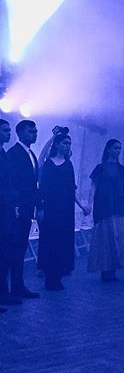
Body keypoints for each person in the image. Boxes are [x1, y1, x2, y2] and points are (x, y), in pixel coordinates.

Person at [37, 131, 89, 290]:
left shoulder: (68, 165)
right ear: (57, 145)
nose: (68, 146)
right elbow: (42, 186)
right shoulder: (48, 164)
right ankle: (50, 275)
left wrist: (81, 206)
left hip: (65, 209)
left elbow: (71, 189)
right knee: (50, 240)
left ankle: (58, 274)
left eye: (69, 144)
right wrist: (41, 207)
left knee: (63, 240)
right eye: (65, 143)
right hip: (51, 207)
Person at [86, 139, 124, 282]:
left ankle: (113, 268)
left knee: (117, 237)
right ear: (108, 149)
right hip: (103, 207)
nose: (118, 150)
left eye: (119, 148)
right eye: (115, 148)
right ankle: (105, 269)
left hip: (118, 207)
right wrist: (89, 204)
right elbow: (93, 186)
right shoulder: (100, 168)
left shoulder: (121, 169)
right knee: (105, 239)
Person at [5, 119, 41, 298]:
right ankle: (11, 288)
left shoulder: (30, 154)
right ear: (20, 133)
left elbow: (33, 184)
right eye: (30, 131)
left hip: (27, 208)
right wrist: (17, 206)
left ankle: (18, 286)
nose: (34, 134)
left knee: (20, 248)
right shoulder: (13, 154)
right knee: (13, 248)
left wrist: (37, 206)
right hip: (17, 210)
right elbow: (12, 183)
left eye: (35, 131)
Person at [0, 118, 21, 309]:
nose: (9, 133)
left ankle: (3, 293)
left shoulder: (4, 154)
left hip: (6, 209)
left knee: (5, 251)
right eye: (5, 130)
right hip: (3, 207)